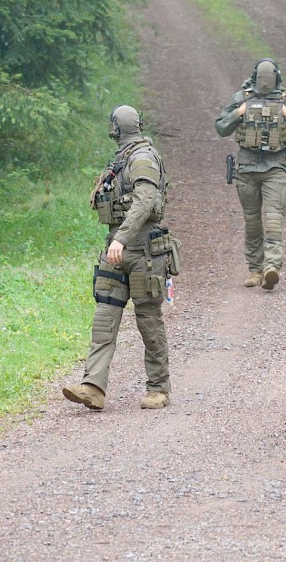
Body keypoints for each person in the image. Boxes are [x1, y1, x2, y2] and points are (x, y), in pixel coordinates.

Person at [62, 105, 178, 411]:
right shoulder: (123, 159)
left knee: (148, 320)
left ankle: (158, 388)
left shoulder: (142, 158)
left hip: (143, 252)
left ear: (115, 128)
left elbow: (145, 201)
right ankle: (93, 387)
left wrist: (121, 239)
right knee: (104, 318)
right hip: (118, 251)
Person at [215, 58, 286, 290]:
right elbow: (221, 128)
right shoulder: (241, 99)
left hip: (275, 168)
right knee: (253, 222)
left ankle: (271, 267)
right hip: (247, 168)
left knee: (274, 219)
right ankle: (255, 270)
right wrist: (239, 113)